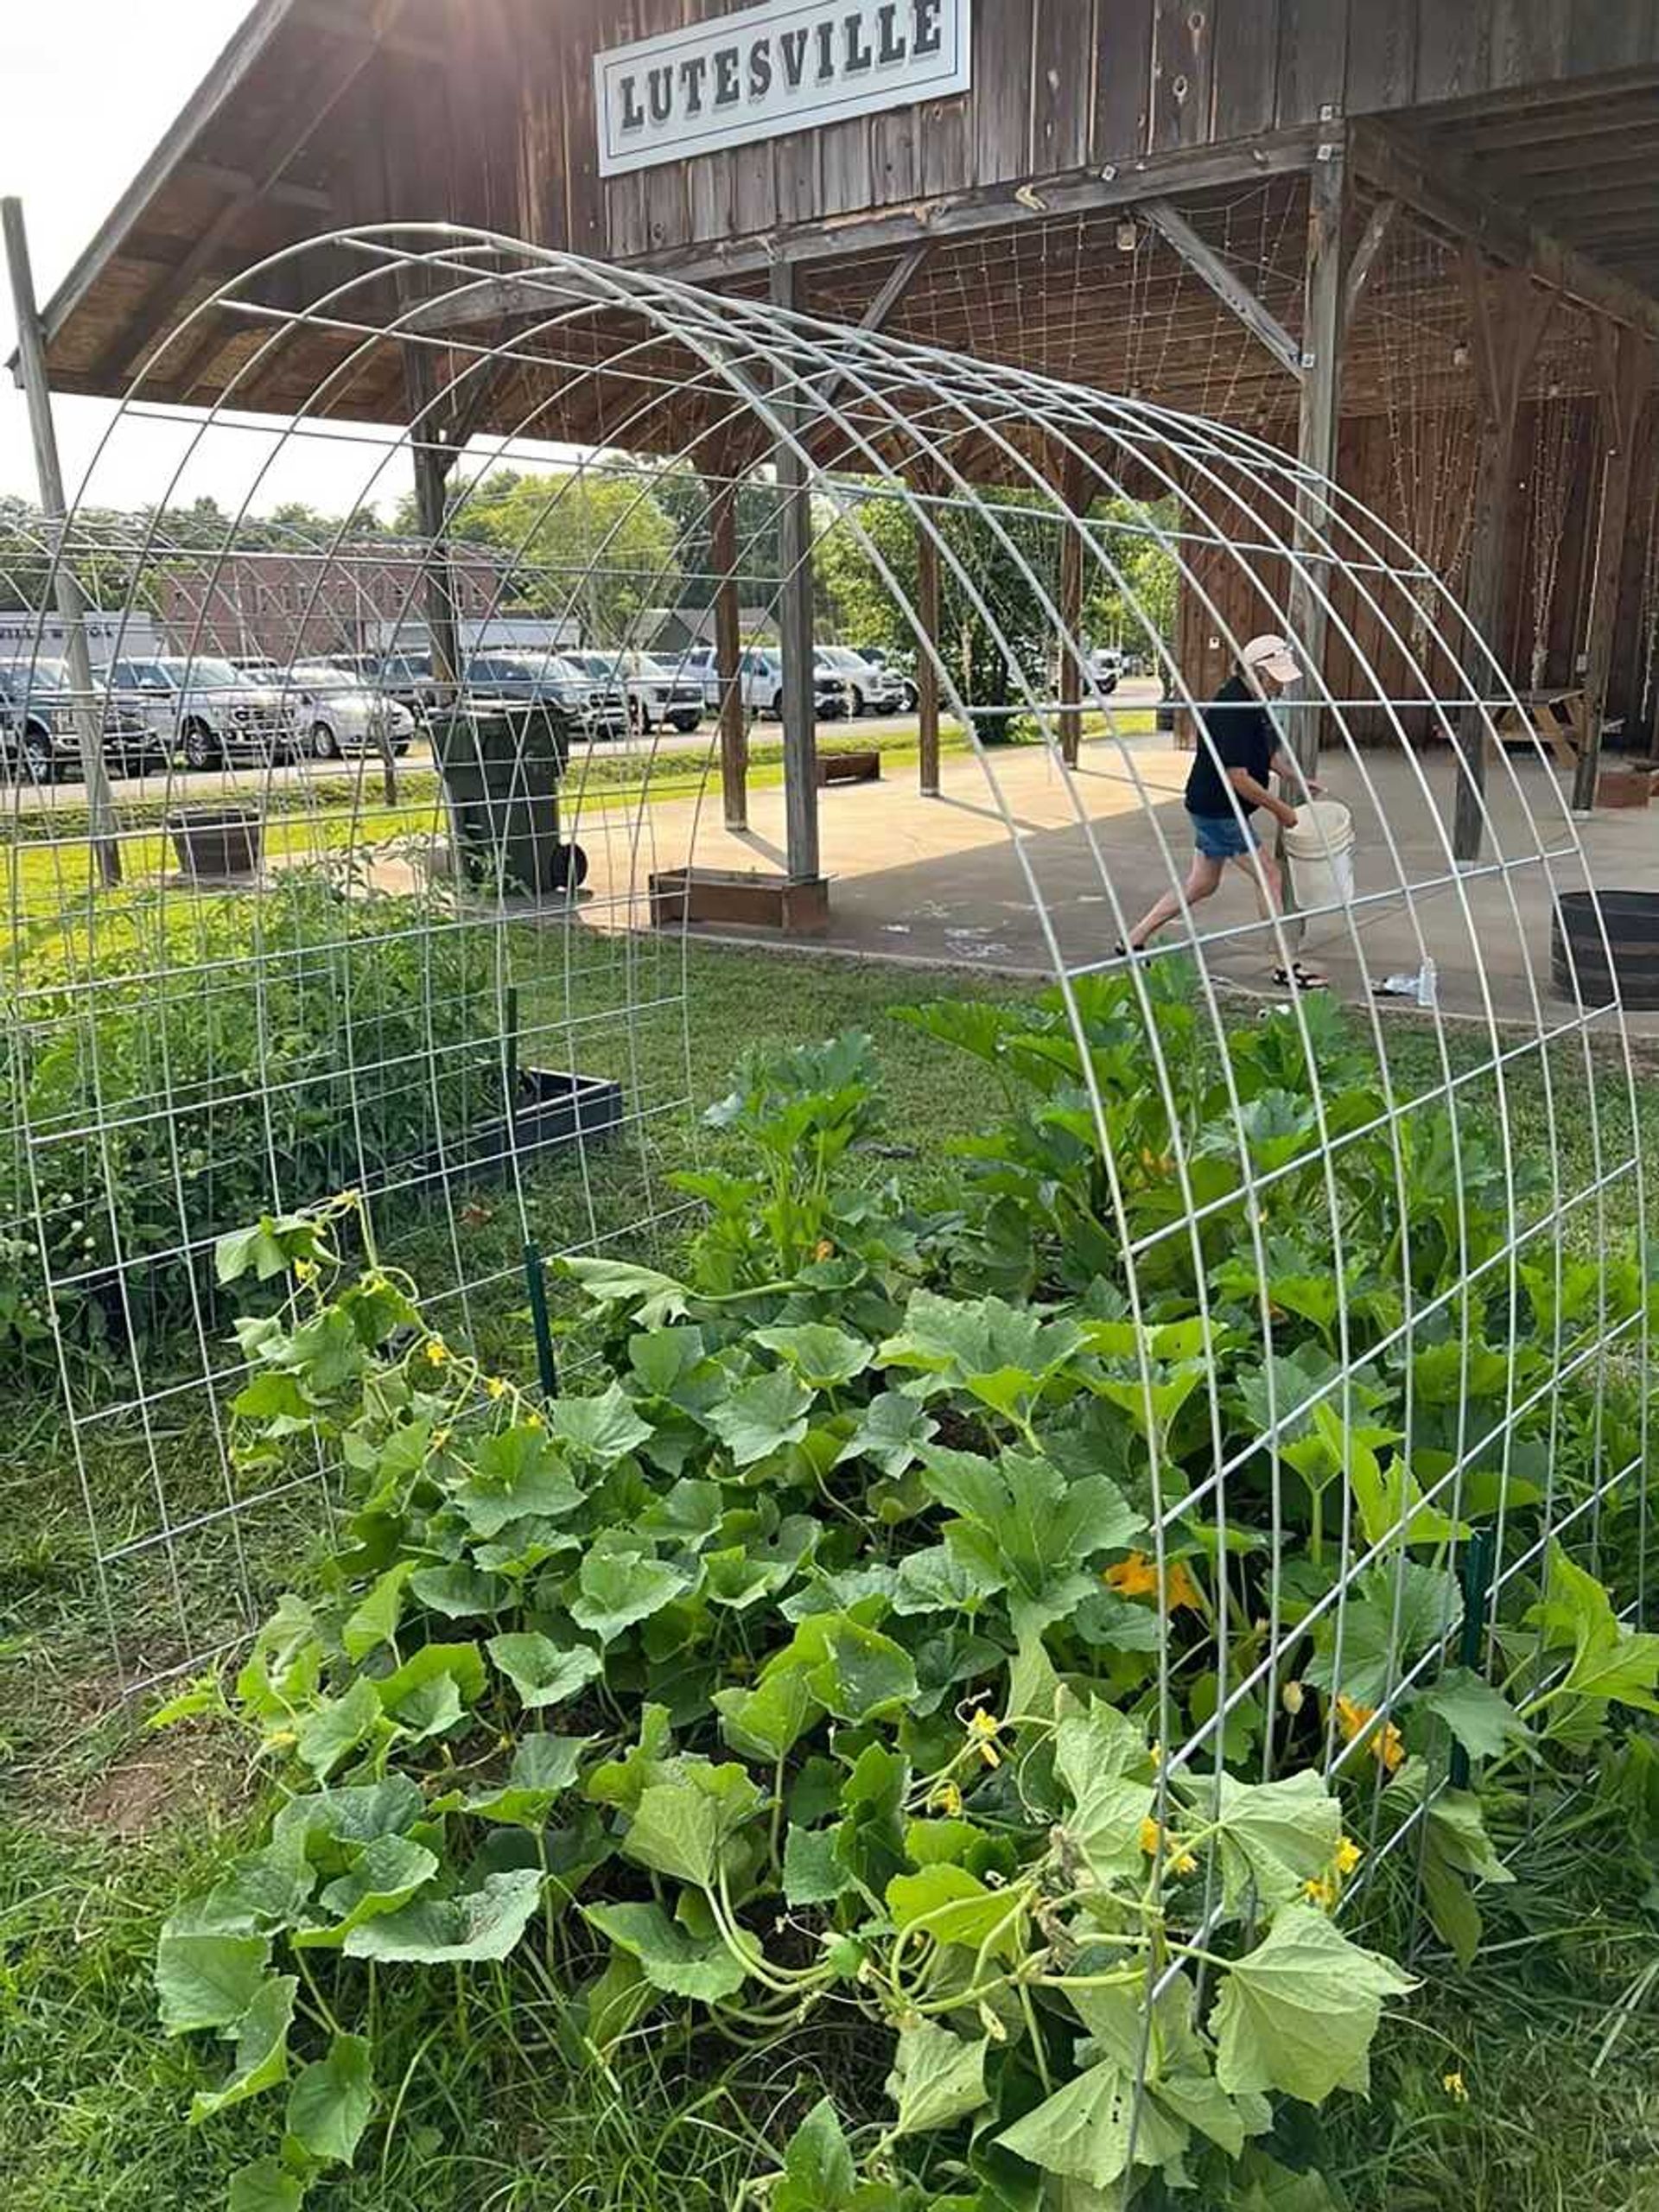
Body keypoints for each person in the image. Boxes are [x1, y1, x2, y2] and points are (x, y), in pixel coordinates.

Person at [1120, 632, 1326, 989]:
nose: (1281, 686)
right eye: (1276, 678)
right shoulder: (1231, 707)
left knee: (1202, 883)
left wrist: (1296, 779)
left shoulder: (1257, 703)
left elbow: (1268, 755)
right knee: (1269, 875)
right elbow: (1239, 779)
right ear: (1257, 673)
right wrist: (1282, 811)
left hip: (1217, 807)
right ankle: (1286, 966)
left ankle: (1133, 939)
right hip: (1219, 808)